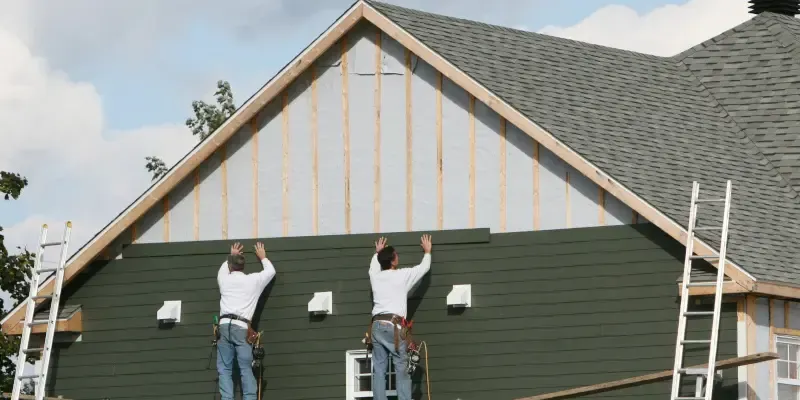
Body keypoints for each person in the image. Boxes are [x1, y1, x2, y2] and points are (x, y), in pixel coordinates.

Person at [368, 234, 433, 400]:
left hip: (376, 326)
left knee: (379, 370)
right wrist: (427, 252)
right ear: (392, 261)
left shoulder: (375, 277)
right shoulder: (401, 276)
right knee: (401, 368)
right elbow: (422, 269)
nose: (398, 257)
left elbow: (373, 267)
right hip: (394, 326)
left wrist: (378, 253)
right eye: (396, 255)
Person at [216, 242, 276, 400]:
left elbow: (222, 270)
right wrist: (263, 257)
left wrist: (232, 254)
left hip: (223, 326)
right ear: (243, 267)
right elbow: (270, 272)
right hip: (241, 328)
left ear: (230, 266)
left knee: (224, 368)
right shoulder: (253, 281)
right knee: (245, 368)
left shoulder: (224, 280)